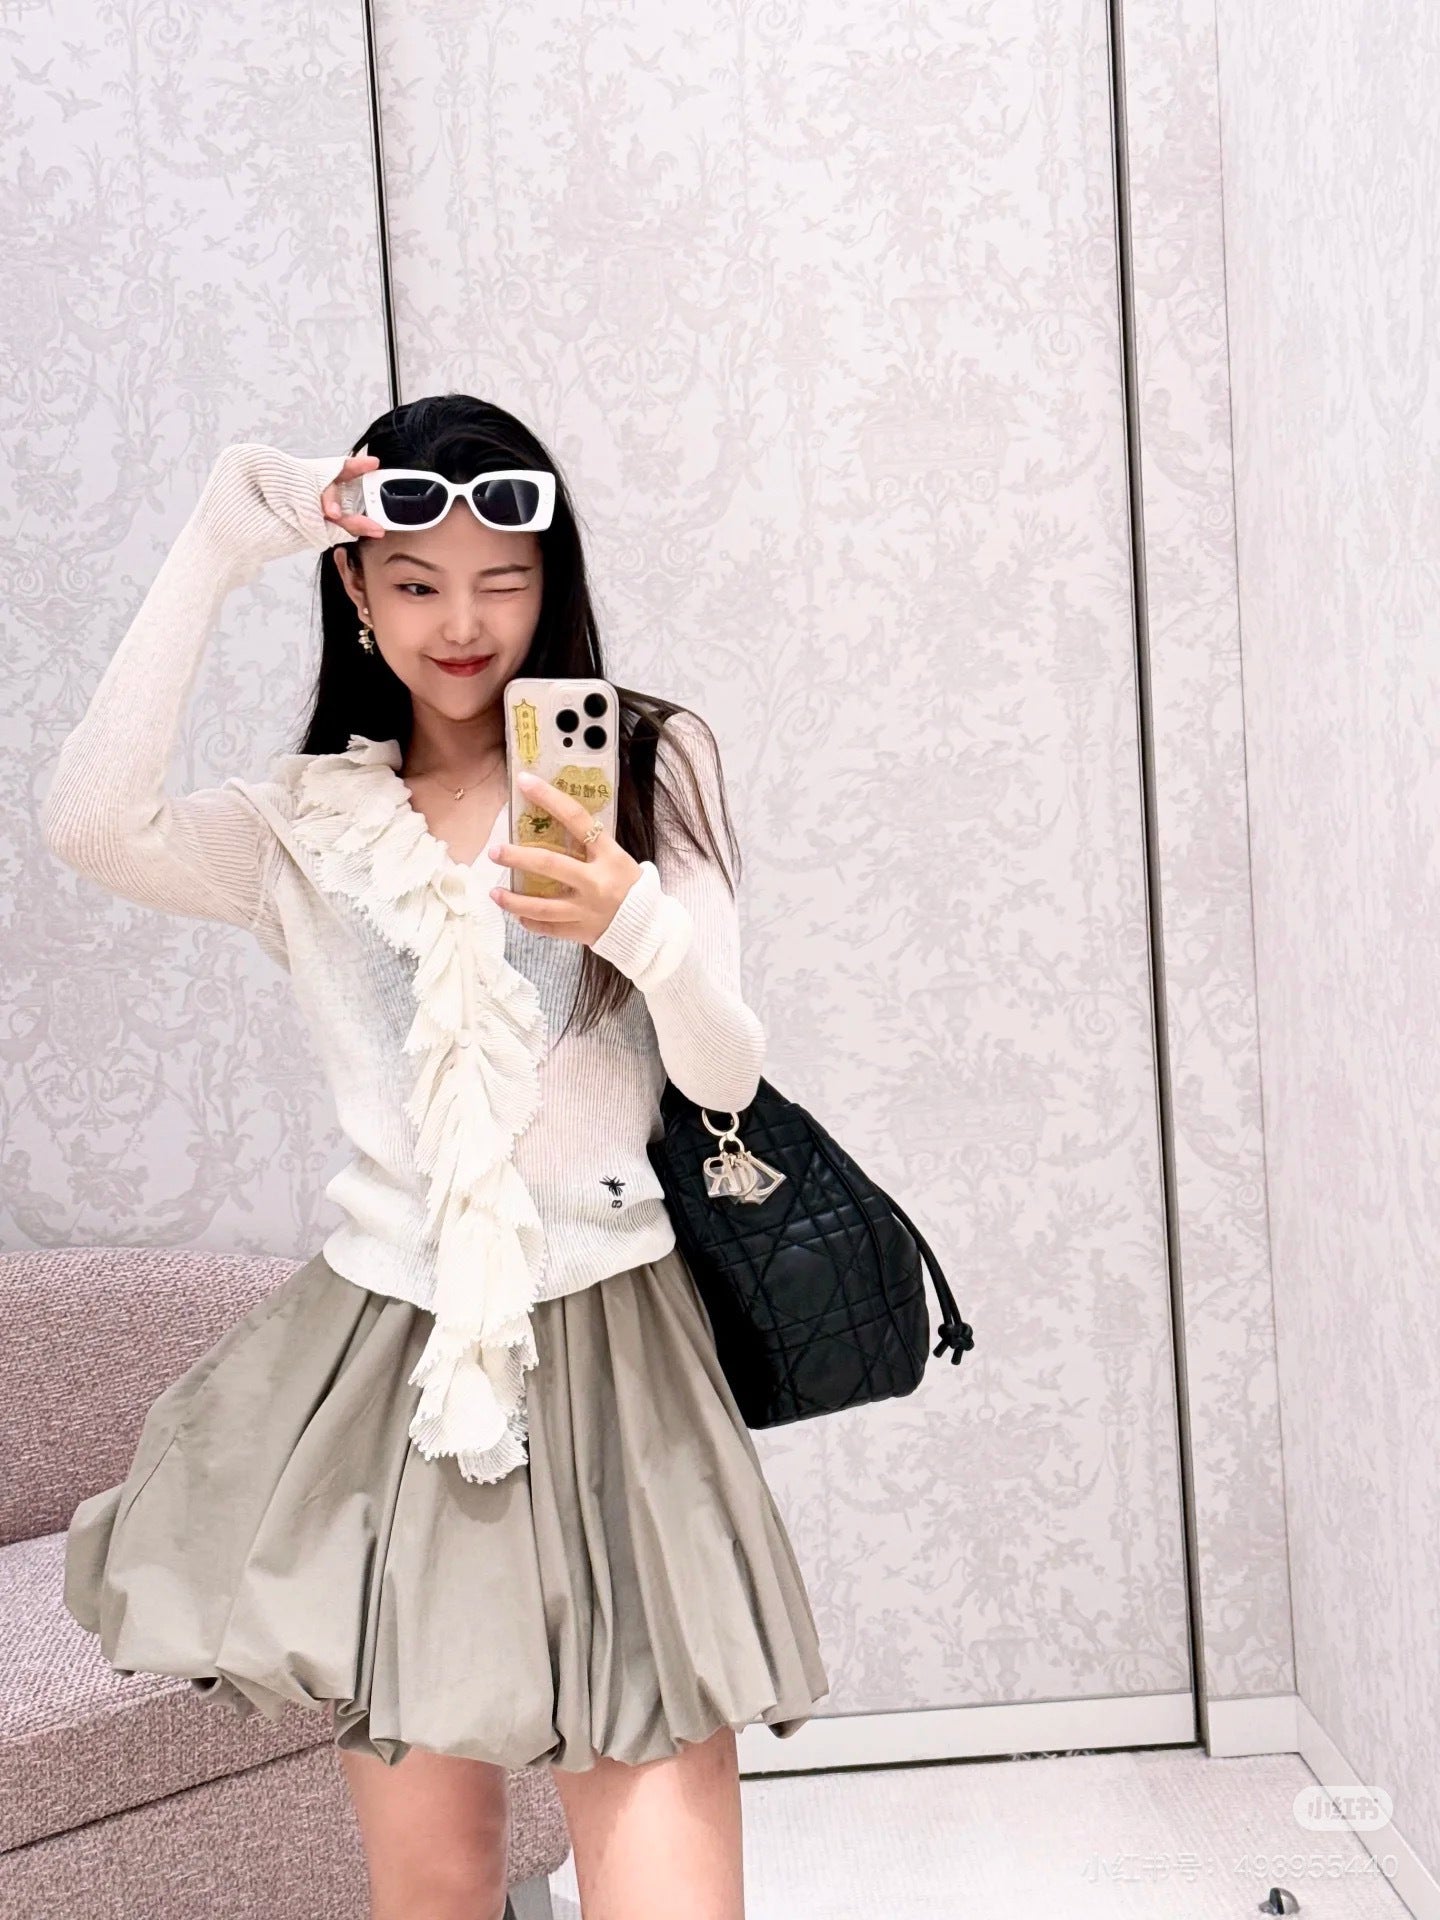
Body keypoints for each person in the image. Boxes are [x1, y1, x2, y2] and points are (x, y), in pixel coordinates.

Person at [42, 393, 831, 1920]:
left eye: (501, 582)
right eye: (416, 583)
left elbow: (724, 1071)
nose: (461, 624)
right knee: (435, 1888)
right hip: (390, 1373)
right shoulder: (306, 826)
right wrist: (220, 541)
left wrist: (632, 921)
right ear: (355, 587)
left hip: (613, 1355)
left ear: (552, 583)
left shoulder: (645, 761)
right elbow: (89, 822)